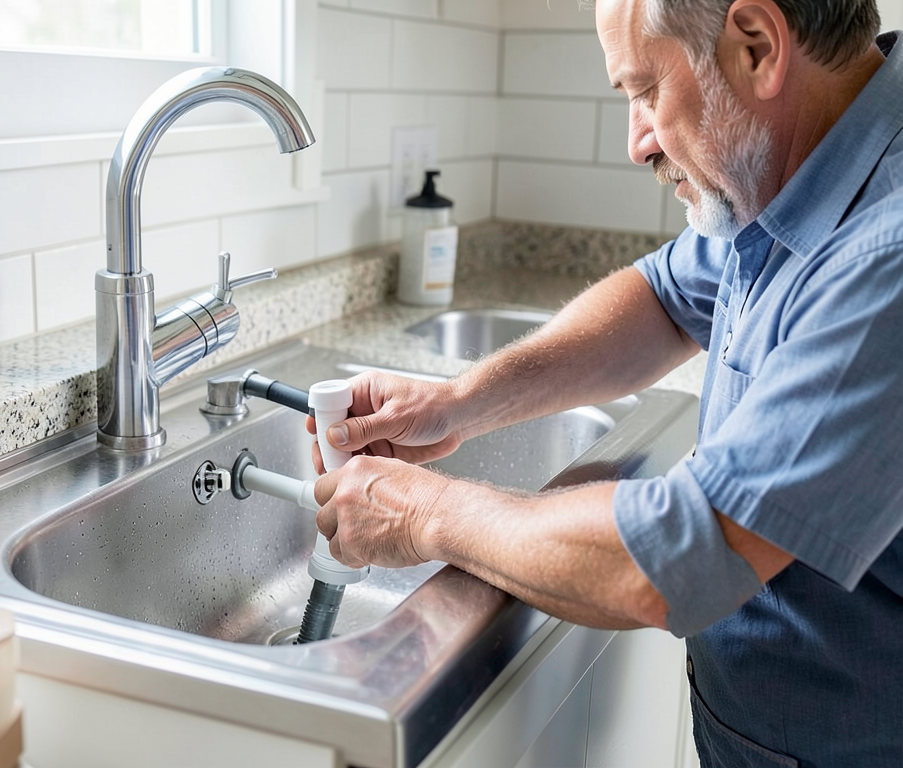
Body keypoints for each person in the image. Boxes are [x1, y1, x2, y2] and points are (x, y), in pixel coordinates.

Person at [310, 0, 903, 765]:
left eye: (646, 89)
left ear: (757, 46)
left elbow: (678, 554)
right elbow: (662, 299)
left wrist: (423, 512)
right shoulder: (805, 169)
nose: (638, 142)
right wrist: (457, 401)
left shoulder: (883, 258)